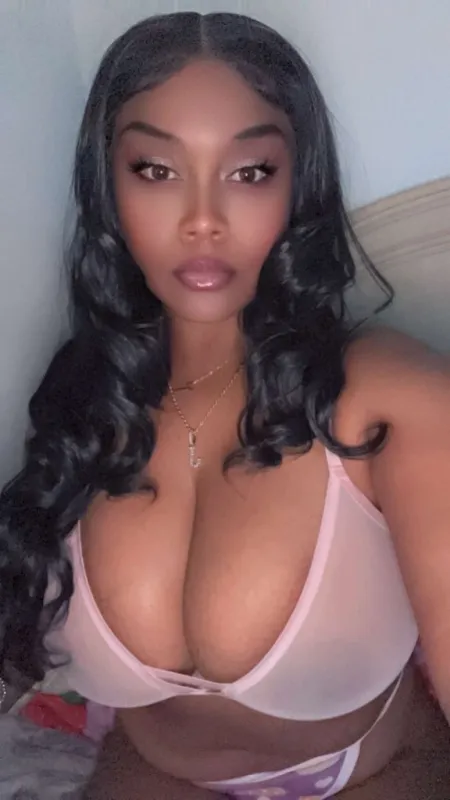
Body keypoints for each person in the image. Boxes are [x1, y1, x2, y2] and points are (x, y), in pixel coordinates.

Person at [0, 11, 449, 800]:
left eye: (249, 172)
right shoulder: (83, 401)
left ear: (297, 185)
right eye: (156, 170)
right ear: (107, 188)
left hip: (373, 770)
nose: (202, 219)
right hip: (152, 770)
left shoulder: (384, 398)